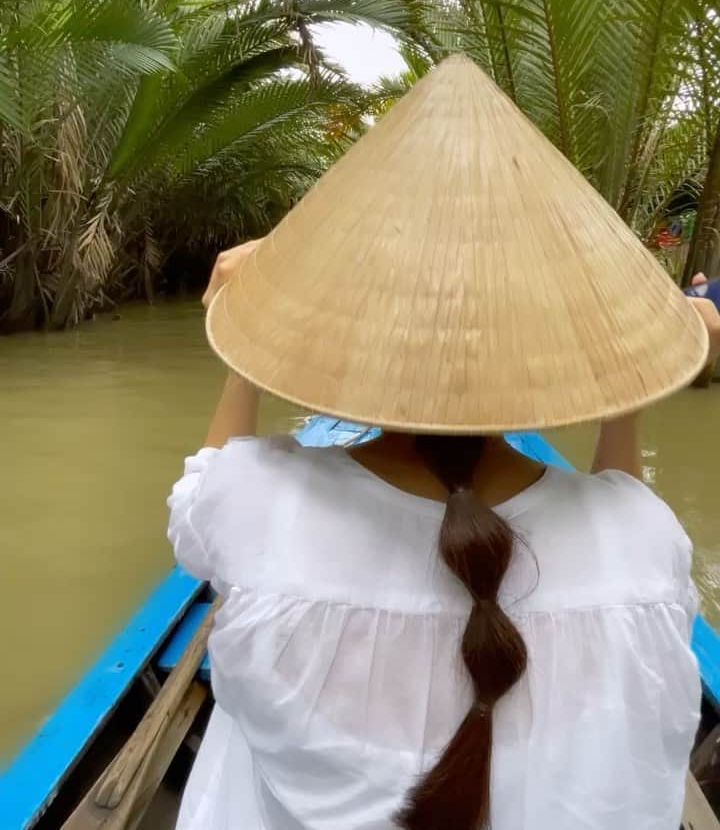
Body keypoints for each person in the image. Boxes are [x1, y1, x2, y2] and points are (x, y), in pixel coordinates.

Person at [167, 57, 710, 830]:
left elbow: (197, 506)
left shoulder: (255, 501)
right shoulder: (644, 540)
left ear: (349, 333)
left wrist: (239, 330)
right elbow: (620, 509)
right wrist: (627, 387)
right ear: (546, 349)